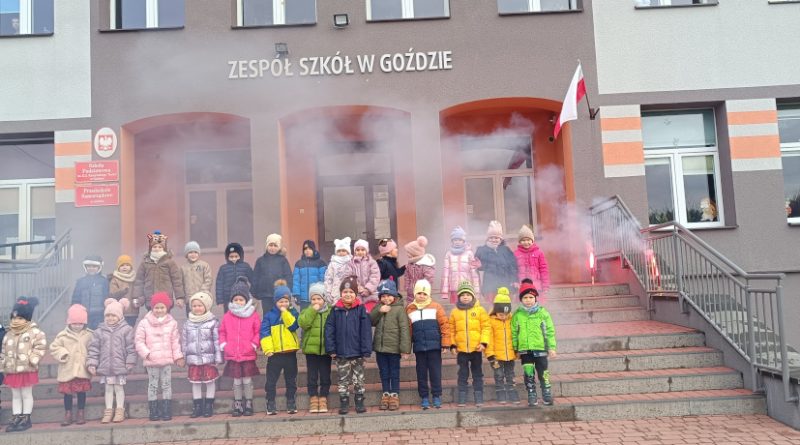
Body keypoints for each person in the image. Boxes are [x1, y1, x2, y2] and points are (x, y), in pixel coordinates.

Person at [325, 276, 372, 415]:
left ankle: (359, 401)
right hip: (341, 353)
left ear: (355, 294)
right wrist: (331, 349)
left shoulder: (361, 309)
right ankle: (344, 402)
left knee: (359, 379)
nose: (348, 294)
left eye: (351, 292)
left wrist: (366, 351)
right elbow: (329, 330)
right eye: (345, 292)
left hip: (358, 353)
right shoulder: (335, 310)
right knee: (343, 380)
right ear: (341, 293)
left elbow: (366, 331)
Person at [135, 292, 185, 421]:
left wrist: (178, 357)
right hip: (152, 360)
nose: (159, 310)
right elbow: (139, 341)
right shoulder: (144, 323)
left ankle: (166, 409)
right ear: (152, 308)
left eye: (162, 307)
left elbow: (175, 342)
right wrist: (147, 353)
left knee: (166, 384)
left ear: (167, 308)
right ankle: (153, 410)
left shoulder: (172, 323)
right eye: (156, 307)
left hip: (166, 360)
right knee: (153, 385)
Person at [86, 298, 136, 424]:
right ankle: (108, 410)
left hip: (119, 365)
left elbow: (131, 348)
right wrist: (92, 363)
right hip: (106, 366)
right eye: (108, 315)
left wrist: (130, 361)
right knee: (108, 389)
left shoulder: (126, 330)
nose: (110, 318)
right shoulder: (99, 331)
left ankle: (119, 410)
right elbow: (94, 349)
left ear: (120, 316)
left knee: (119, 388)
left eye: (113, 315)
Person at [1, 297, 46, 432]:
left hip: (27, 369)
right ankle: (16, 417)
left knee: (26, 394)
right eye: (14, 318)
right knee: (15, 395)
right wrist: (3, 364)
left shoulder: (35, 332)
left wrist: (33, 359)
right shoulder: (9, 334)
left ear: (27, 318)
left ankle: (26, 417)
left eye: (20, 318)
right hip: (12, 370)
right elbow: (3, 351)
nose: (16, 320)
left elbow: (40, 347)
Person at [219, 277, 261, 417]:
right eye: (236, 299)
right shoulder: (227, 316)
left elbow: (258, 332)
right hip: (233, 354)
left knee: (247, 379)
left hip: (247, 353)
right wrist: (224, 344)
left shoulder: (253, 315)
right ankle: (237, 402)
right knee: (236, 380)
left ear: (246, 300)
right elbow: (222, 332)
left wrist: (254, 344)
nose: (238, 302)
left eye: (241, 299)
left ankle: (248, 402)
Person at [406, 279, 450, 410]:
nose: (422, 296)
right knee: (421, 373)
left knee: (435, 372)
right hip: (419, 347)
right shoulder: (410, 309)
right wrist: (407, 348)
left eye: (425, 294)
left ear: (429, 295)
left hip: (434, 347)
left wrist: (445, 343)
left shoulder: (436, 306)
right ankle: (424, 397)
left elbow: (444, 324)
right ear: (415, 294)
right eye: (419, 293)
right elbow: (407, 330)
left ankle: (436, 396)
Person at [512, 281, 557, 407]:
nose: (528, 300)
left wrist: (551, 348)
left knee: (543, 372)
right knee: (529, 374)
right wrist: (515, 349)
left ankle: (546, 393)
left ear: (536, 298)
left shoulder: (543, 313)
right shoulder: (517, 315)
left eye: (531, 297)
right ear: (521, 299)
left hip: (540, 349)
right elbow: (514, 333)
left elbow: (549, 331)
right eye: (525, 297)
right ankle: (532, 394)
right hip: (525, 351)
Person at [49, 304, 93, 426]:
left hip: (82, 369)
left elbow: (94, 348)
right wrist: (63, 354)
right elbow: (54, 347)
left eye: (80, 323)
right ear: (69, 322)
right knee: (67, 393)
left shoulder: (89, 335)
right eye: (74, 323)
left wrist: (91, 361)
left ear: (84, 323)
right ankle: (68, 413)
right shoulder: (62, 335)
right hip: (68, 368)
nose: (77, 326)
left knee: (81, 392)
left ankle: (81, 412)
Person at [369, 279, 410, 411]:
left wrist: (405, 349)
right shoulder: (378, 307)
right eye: (383, 296)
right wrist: (379, 311)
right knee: (384, 372)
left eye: (389, 295)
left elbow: (404, 329)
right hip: (380, 348)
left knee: (394, 372)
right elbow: (370, 321)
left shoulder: (399, 309)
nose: (386, 298)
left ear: (394, 295)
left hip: (394, 349)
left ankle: (394, 394)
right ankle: (386, 393)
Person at [260, 285, 300, 415]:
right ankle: (270, 401)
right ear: (275, 302)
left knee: (291, 379)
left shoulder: (293, 313)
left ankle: (291, 400)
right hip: (275, 355)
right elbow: (265, 333)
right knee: (271, 380)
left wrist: (285, 312)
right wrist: (268, 349)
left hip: (290, 353)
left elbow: (293, 326)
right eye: (281, 301)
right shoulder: (269, 316)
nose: (283, 304)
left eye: (286, 301)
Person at [449, 281, 490, 407]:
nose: (465, 297)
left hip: (476, 349)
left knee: (477, 373)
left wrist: (483, 343)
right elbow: (451, 330)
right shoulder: (455, 312)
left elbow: (486, 327)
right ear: (458, 297)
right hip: (461, 350)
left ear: (472, 296)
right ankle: (462, 396)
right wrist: (453, 345)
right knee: (462, 373)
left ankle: (479, 396)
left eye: (468, 294)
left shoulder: (480, 310)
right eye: (462, 295)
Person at [182, 291, 222, 418]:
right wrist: (184, 356)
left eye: (200, 306)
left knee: (210, 382)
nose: (197, 308)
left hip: (208, 358)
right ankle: (197, 406)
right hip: (194, 359)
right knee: (195, 383)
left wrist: (218, 357)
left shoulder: (212, 322)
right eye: (194, 306)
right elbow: (184, 341)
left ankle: (209, 405)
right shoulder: (188, 323)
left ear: (206, 307)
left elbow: (217, 341)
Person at [298, 282, 332, 414]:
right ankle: (313, 396)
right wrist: (313, 310)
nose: (316, 301)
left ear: (324, 299)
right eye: (313, 299)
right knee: (312, 375)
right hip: (311, 350)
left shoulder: (330, 311)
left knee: (325, 374)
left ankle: (323, 396)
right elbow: (303, 323)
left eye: (319, 298)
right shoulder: (307, 311)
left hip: (325, 350)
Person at [132, 231, 186, 311]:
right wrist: (137, 297)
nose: (157, 249)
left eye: (160, 247)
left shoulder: (169, 262)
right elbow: (139, 281)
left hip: (165, 298)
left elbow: (177, 281)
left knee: (165, 317)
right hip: (150, 298)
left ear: (164, 248)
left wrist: (179, 297)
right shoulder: (145, 262)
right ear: (150, 248)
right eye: (154, 247)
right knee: (151, 318)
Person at [486, 287, 519, 404]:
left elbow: (516, 336)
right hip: (496, 356)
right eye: (500, 314)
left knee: (510, 374)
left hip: (510, 354)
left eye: (505, 314)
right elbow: (488, 339)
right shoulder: (490, 321)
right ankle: (500, 393)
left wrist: (517, 350)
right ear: (495, 310)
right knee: (499, 374)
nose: (503, 316)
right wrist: (490, 354)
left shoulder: (512, 320)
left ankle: (512, 392)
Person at [475, 221, 517, 302]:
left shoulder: (506, 250)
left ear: (500, 239)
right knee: (491, 305)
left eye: (496, 238)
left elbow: (512, 266)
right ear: (487, 238)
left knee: (505, 304)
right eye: (491, 238)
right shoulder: (482, 250)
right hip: (490, 283)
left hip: (505, 283)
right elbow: (480, 266)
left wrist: (514, 279)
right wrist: (480, 266)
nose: (493, 240)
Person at [253, 233, 293, 312]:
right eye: (270, 245)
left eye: (275, 246)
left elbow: (288, 276)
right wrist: (254, 291)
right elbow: (255, 277)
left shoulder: (283, 260)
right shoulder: (260, 260)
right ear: (267, 246)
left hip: (280, 294)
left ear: (279, 247)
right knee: (268, 314)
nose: (273, 248)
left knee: (280, 314)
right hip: (265, 295)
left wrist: (288, 290)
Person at [441, 226, 481, 304]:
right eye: (455, 240)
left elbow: (474, 273)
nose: (457, 242)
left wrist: (476, 290)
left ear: (463, 241)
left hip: (467, 287)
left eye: (459, 240)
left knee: (467, 307)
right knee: (454, 307)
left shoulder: (469, 253)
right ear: (452, 241)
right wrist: (445, 291)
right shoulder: (448, 254)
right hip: (454, 287)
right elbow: (445, 273)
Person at [71, 255, 109, 330]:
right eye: (89, 266)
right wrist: (75, 310)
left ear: (99, 267)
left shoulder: (104, 281)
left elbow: (106, 297)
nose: (91, 268)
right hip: (84, 314)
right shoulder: (80, 281)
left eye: (94, 266)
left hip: (99, 315)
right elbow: (76, 298)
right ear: (85, 267)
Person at [216, 242, 254, 312]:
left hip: (242, 296)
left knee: (243, 313)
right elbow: (219, 284)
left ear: (241, 256)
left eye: (236, 256)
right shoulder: (223, 268)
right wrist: (220, 300)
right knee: (229, 314)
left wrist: (253, 292)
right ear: (227, 257)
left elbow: (253, 280)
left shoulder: (245, 266)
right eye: (231, 257)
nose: (234, 259)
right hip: (227, 297)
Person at [514, 225, 550, 297]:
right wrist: (515, 282)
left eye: (528, 240)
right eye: (523, 240)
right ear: (519, 241)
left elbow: (543, 270)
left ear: (532, 240)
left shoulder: (539, 253)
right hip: (521, 286)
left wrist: (545, 286)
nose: (526, 242)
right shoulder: (515, 254)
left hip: (536, 286)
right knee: (523, 303)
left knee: (536, 303)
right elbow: (513, 270)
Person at [293, 240, 327, 311]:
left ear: (313, 249)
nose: (307, 251)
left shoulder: (321, 263)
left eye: (310, 248)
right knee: (304, 317)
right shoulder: (299, 264)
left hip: (316, 298)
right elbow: (296, 280)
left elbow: (323, 280)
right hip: (303, 299)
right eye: (305, 249)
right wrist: (296, 294)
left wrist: (323, 294)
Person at [181, 241, 213, 315]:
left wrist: (202, 292)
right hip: (190, 299)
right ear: (186, 254)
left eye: (195, 252)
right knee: (191, 317)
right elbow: (181, 284)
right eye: (190, 252)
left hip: (203, 297)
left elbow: (208, 279)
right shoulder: (183, 268)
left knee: (204, 317)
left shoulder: (204, 265)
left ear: (199, 253)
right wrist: (182, 297)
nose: (193, 255)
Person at [108, 254, 140, 327]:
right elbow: (112, 294)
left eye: (127, 265)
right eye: (122, 265)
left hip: (133, 311)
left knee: (130, 329)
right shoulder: (115, 279)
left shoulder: (135, 278)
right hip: (120, 311)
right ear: (118, 267)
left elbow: (139, 291)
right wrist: (122, 292)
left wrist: (138, 300)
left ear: (131, 267)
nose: (125, 267)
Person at [403, 236, 436, 304]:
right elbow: (407, 276)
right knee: (411, 306)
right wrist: (407, 287)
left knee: (423, 306)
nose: (407, 254)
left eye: (408, 252)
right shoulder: (410, 264)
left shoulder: (425, 264)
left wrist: (424, 288)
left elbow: (429, 278)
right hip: (411, 292)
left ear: (415, 253)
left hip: (422, 292)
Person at [350, 239, 380, 312]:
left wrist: (367, 289)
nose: (360, 252)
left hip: (370, 293)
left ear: (367, 251)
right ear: (354, 251)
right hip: (357, 293)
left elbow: (375, 277)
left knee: (370, 311)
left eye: (362, 250)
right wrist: (357, 287)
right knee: (357, 311)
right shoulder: (351, 263)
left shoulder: (372, 262)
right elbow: (350, 277)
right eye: (358, 250)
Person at [323, 237, 355, 304]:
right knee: (337, 308)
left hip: (349, 291)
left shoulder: (351, 262)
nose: (341, 253)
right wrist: (328, 291)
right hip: (336, 292)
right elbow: (329, 278)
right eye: (339, 251)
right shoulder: (332, 264)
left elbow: (355, 276)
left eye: (343, 251)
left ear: (348, 252)